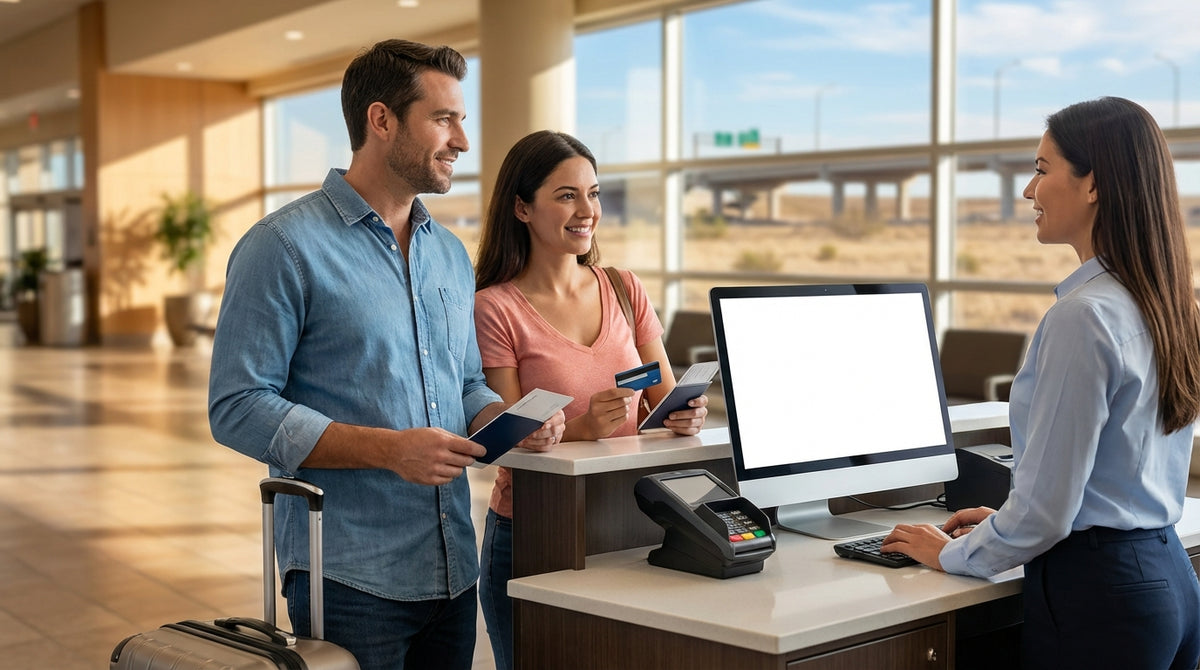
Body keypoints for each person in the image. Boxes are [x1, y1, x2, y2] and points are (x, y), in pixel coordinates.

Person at [207, 40, 563, 670]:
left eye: (462, 120)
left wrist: (499, 422)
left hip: (453, 567)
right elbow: (236, 407)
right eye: (445, 119)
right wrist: (389, 450)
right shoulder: (282, 247)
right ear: (381, 120)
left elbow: (467, 381)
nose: (462, 141)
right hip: (348, 574)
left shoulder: (448, 254)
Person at [882, 97, 1200, 670]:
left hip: (1100, 595)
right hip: (1167, 578)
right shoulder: (1168, 304)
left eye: (1042, 169)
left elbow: (1048, 516)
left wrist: (952, 553)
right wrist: (1005, 524)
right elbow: (1105, 480)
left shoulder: (1084, 316)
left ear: (1093, 184)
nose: (1028, 191)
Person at [472, 130, 709, 670]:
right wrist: (581, 429)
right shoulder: (494, 308)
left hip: (633, 522)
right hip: (536, 529)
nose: (587, 211)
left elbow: (663, 403)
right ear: (521, 207)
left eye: (594, 193)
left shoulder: (624, 287)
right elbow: (506, 436)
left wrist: (682, 416)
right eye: (566, 195)